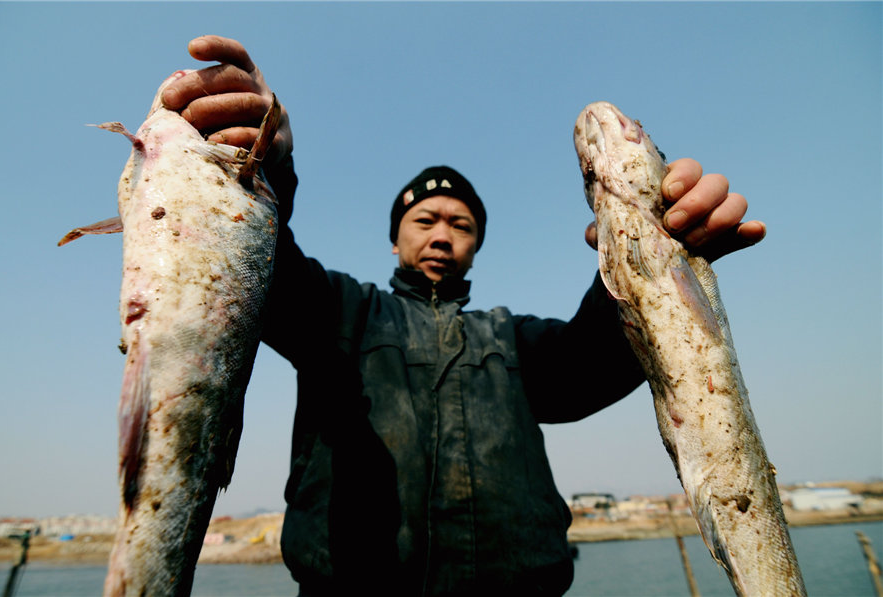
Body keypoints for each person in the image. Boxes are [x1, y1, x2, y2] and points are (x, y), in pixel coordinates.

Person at [162, 36, 767, 597]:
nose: (443, 235)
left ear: (476, 243)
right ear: (394, 238)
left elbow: (593, 363)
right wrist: (267, 166)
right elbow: (258, 265)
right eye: (425, 221)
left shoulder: (512, 339)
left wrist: (649, 253)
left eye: (461, 224)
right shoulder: (340, 312)